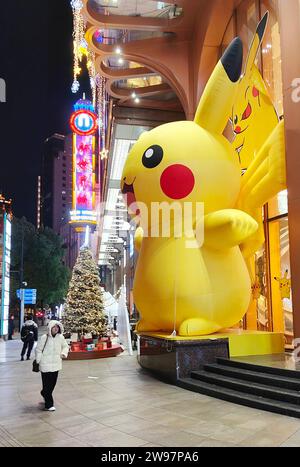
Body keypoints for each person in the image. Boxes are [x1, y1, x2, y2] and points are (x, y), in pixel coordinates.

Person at [35, 320, 69, 412]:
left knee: (52, 385)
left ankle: (44, 393)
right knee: (47, 386)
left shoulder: (60, 337)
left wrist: (63, 353)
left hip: (56, 365)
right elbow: (38, 350)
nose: (56, 329)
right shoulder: (44, 337)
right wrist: (38, 360)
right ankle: (49, 404)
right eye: (54, 327)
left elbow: (66, 347)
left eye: (57, 327)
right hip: (45, 365)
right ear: (50, 328)